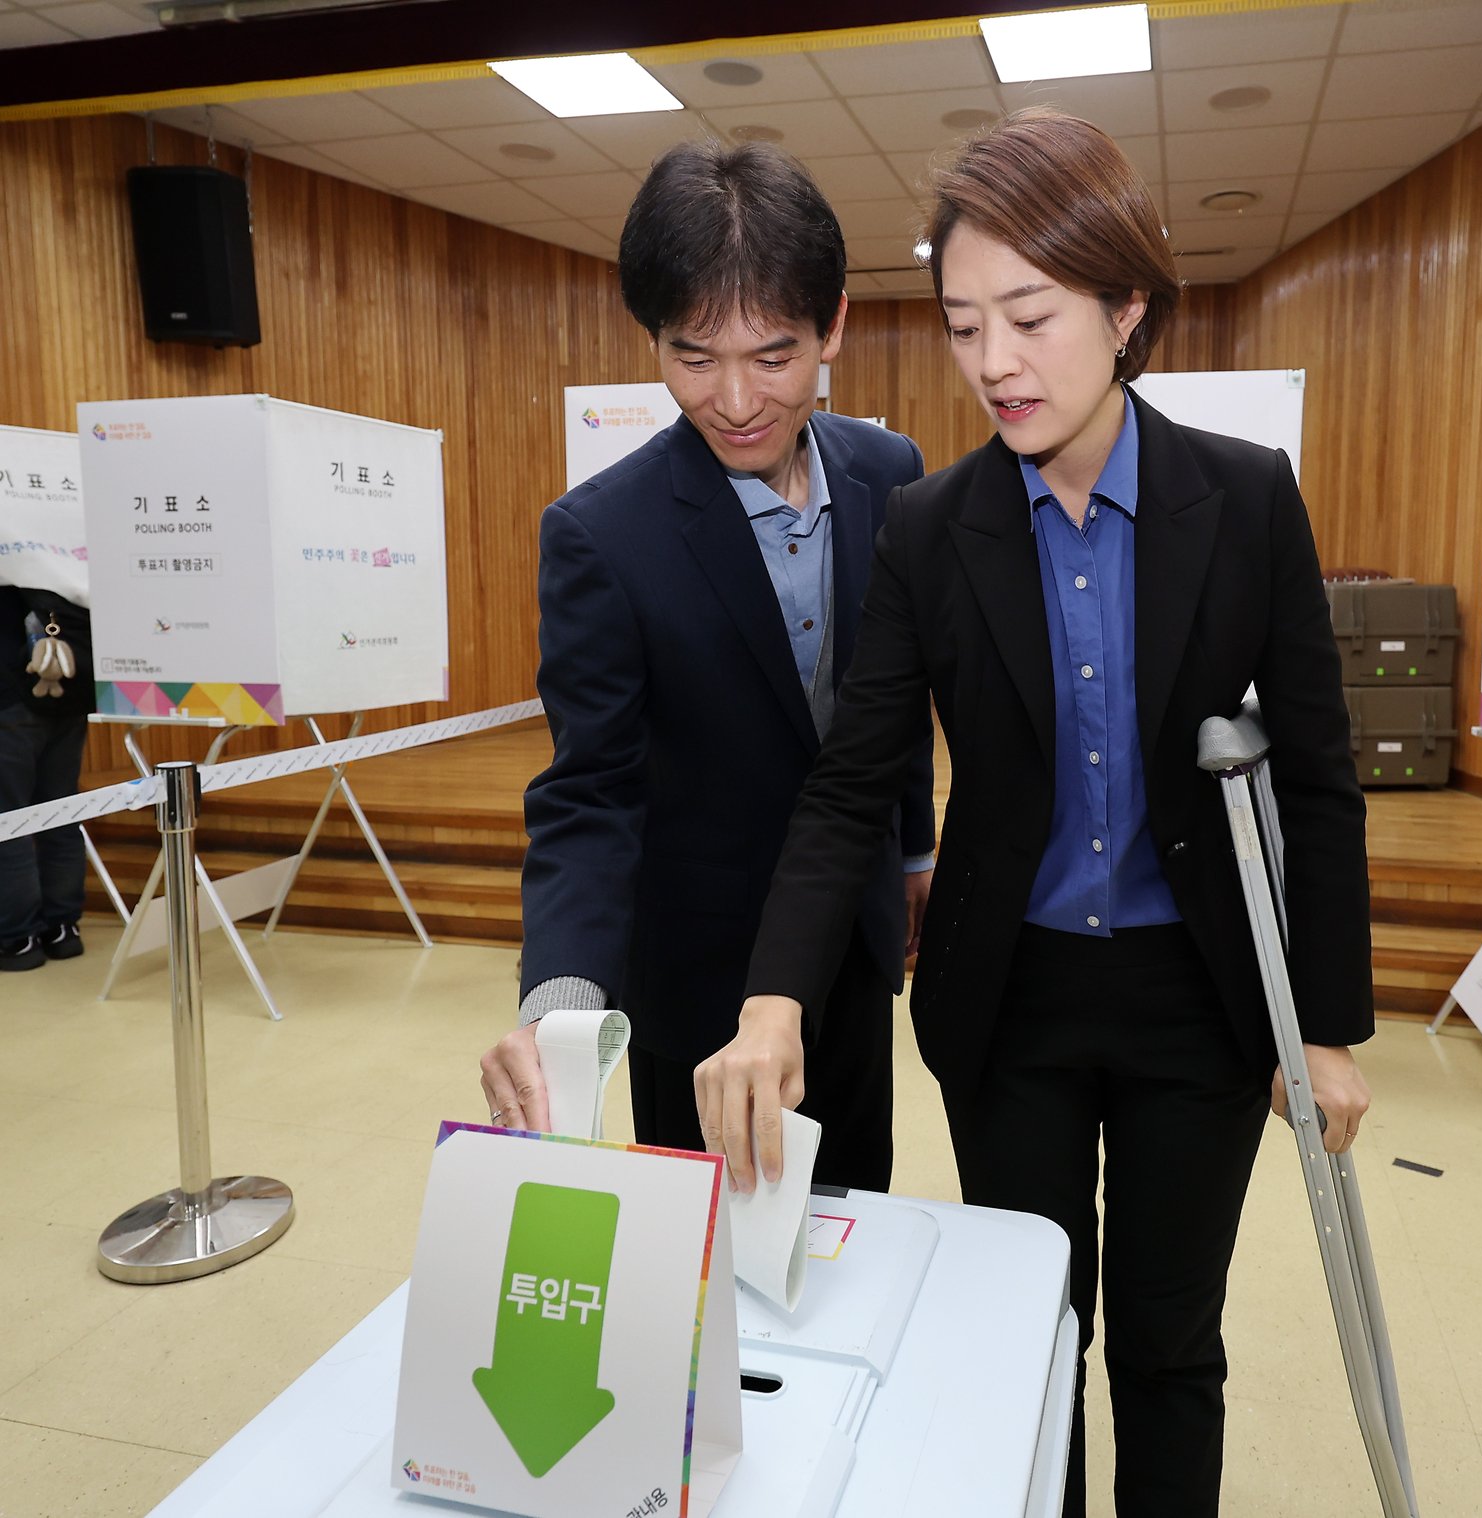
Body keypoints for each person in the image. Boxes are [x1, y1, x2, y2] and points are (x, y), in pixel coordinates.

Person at [695, 110, 1373, 1517]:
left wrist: (1320, 1025)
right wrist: (772, 999)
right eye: (959, 326)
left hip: (1199, 998)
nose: (993, 362)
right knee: (1030, 1330)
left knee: (1169, 1339)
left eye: (1028, 315)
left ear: (1124, 308)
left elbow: (1314, 772)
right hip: (1009, 1001)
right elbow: (849, 778)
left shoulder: (1240, 500)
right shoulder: (936, 531)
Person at [478, 140, 935, 1192]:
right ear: (653, 341)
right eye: (693, 356)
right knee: (710, 1271)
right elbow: (589, 792)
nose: (734, 400)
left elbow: (891, 700)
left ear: (834, 328)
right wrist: (559, 1005)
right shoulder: (602, 533)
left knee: (853, 1216)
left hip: (855, 948)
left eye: (773, 356)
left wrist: (911, 851)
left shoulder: (889, 472)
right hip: (698, 974)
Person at [0, 584, 92, 971]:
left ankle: (18, 938)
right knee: (61, 813)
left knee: (9, 820)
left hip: (8, 696)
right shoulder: (54, 552)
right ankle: (62, 928)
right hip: (71, 695)